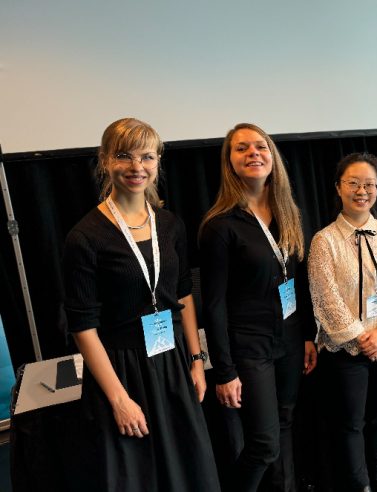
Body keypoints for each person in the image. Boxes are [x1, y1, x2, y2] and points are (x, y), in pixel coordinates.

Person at [63, 118, 220, 491]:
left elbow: (182, 295)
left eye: (147, 157)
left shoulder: (170, 224)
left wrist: (196, 362)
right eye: (124, 156)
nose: (137, 167)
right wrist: (118, 399)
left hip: (171, 362)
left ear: (158, 161)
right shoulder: (84, 237)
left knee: (188, 470)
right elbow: (83, 328)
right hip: (122, 370)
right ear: (104, 160)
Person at [199, 123, 317, 491]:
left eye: (260, 146)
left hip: (290, 337)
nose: (253, 153)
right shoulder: (220, 226)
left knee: (285, 423)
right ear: (229, 162)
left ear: (272, 156)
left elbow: (298, 281)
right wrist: (224, 371)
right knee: (264, 444)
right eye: (241, 148)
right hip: (249, 347)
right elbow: (213, 305)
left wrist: (308, 337)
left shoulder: (288, 213)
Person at [308, 153, 377, 492]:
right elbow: (326, 299)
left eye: (369, 184)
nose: (361, 191)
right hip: (346, 350)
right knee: (350, 423)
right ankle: (359, 484)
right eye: (353, 183)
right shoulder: (324, 240)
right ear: (338, 187)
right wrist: (361, 338)